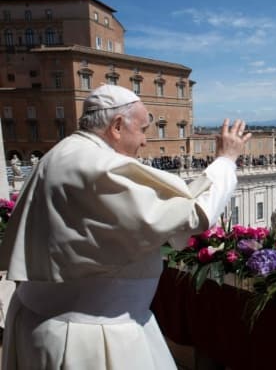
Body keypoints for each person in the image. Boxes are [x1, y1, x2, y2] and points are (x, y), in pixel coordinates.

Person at [0, 84, 251, 370]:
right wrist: (227, 161)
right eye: (144, 129)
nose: (145, 141)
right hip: (89, 339)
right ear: (117, 126)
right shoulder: (98, 166)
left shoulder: (61, 154)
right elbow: (193, 214)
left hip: (44, 323)